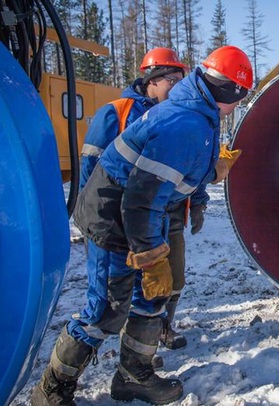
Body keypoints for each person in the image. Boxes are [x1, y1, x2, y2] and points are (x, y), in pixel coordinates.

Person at [31, 45, 252, 406]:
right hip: (112, 217)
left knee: (151, 297)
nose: (237, 107)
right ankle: (52, 388)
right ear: (229, 92)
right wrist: (149, 256)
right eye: (239, 99)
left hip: (141, 214)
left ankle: (135, 376)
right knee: (105, 310)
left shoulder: (199, 113)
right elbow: (141, 198)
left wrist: (213, 171)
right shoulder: (185, 123)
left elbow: (175, 173)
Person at [79, 47, 200, 352]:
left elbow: (188, 164)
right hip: (119, 218)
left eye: (180, 79)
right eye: (171, 79)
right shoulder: (116, 113)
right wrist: (94, 221)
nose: (177, 86)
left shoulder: (177, 116)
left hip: (166, 214)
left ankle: (156, 335)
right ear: (151, 79)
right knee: (117, 295)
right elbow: (91, 170)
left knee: (167, 282)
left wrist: (197, 201)